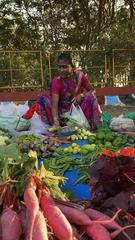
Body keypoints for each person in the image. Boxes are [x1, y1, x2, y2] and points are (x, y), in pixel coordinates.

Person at [38, 53, 102, 130]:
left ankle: (93, 126)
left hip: (78, 111)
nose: (61, 70)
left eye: (64, 67)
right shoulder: (56, 82)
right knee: (42, 97)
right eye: (59, 67)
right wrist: (56, 121)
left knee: (90, 96)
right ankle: (55, 125)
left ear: (72, 67)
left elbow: (92, 91)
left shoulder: (80, 76)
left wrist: (82, 95)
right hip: (62, 115)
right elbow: (54, 106)